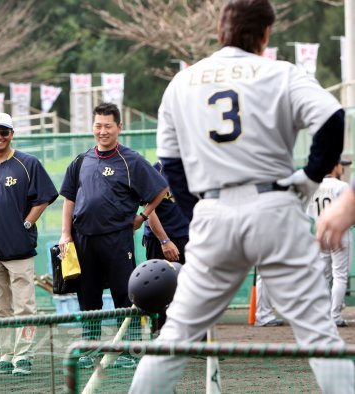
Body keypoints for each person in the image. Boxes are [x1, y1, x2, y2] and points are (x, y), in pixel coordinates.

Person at [130, 1, 355, 393]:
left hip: (213, 210)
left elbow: (171, 165)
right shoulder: (281, 72)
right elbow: (333, 119)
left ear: (221, 29)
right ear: (265, 33)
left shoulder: (182, 83)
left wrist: (200, 212)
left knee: (176, 335)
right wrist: (307, 178)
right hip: (273, 205)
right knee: (319, 335)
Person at [59, 102, 169, 369]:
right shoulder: (82, 159)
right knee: (88, 295)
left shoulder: (131, 160)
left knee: (124, 293)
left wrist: (142, 217)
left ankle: (131, 350)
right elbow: (69, 199)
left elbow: (159, 190)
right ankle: (90, 348)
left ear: (120, 127)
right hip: (83, 238)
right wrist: (65, 234)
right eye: (98, 125)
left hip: (117, 238)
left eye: (108, 126)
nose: (103, 131)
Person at [0, 112, 58, 376]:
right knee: (0, 308)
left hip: (19, 250)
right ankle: (6, 356)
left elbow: (44, 198)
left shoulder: (28, 163)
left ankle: (24, 356)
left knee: (25, 306)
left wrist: (27, 223)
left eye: (3, 132)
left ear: (12, 134)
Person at [307, 159, 353, 327]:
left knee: (324, 276)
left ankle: (323, 315)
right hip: (339, 233)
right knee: (340, 276)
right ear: (334, 166)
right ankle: (335, 316)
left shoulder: (315, 186)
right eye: (341, 164)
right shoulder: (342, 186)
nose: (342, 167)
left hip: (321, 231)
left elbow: (311, 214)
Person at [143, 161, 196, 265]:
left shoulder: (193, 170)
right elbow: (149, 211)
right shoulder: (154, 172)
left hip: (189, 237)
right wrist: (164, 241)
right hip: (160, 240)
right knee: (162, 280)